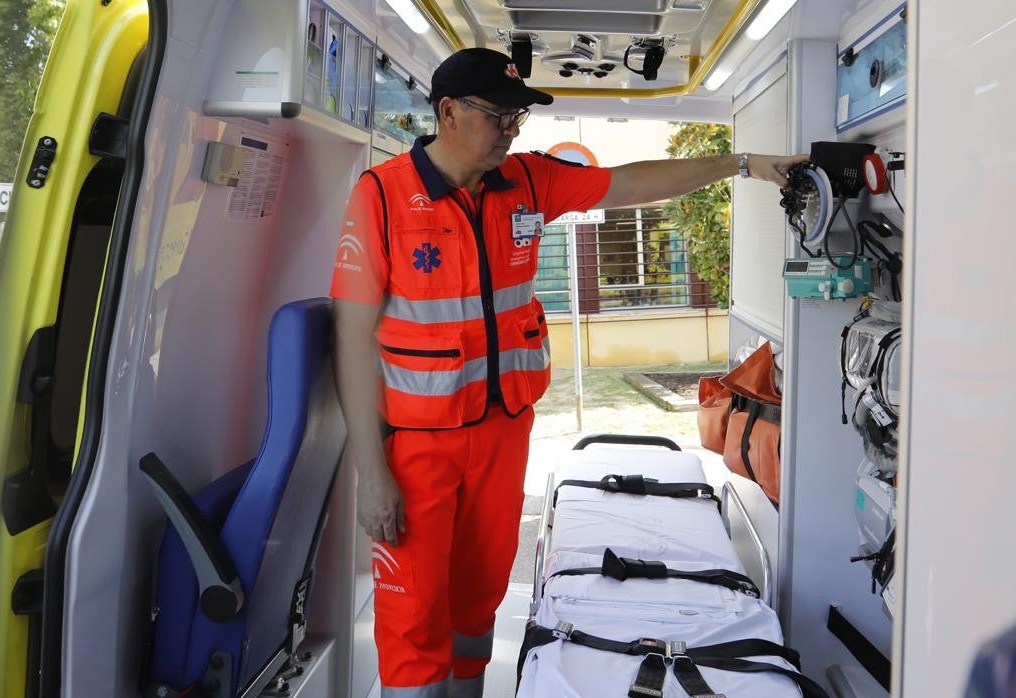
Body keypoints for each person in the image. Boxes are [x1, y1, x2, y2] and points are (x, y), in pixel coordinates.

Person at [329, 47, 807, 698]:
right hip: (416, 449)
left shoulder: (527, 182)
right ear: (447, 112)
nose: (510, 131)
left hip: (502, 437)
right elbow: (352, 340)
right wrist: (372, 472)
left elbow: (634, 183)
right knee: (412, 622)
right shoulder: (382, 198)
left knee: (479, 602)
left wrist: (745, 165)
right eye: (499, 116)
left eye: (517, 118)